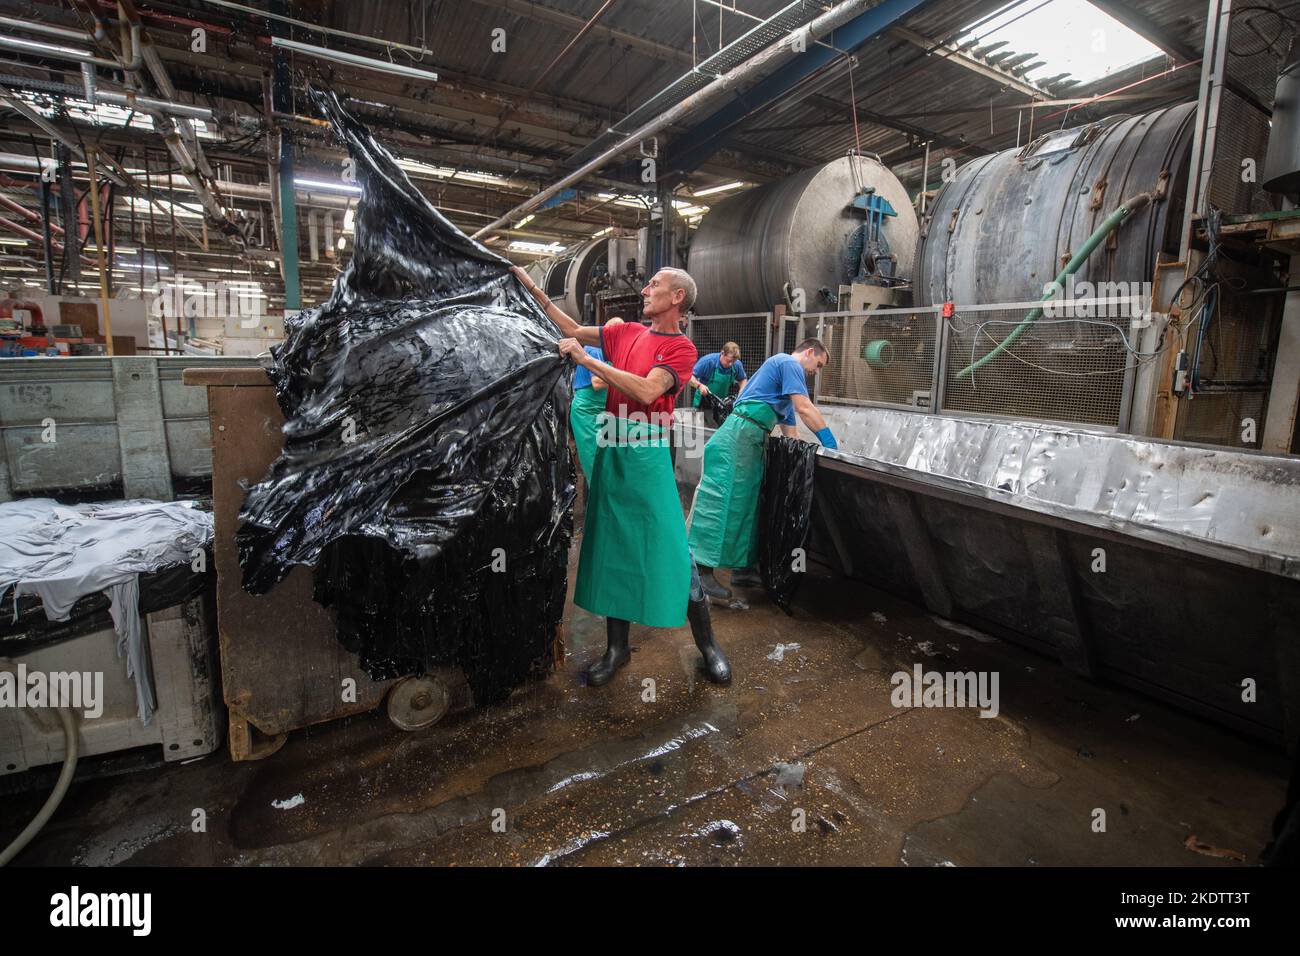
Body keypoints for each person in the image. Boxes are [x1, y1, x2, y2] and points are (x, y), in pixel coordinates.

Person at [512, 264, 731, 686]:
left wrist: (587, 364)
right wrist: (532, 287)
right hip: (614, 448)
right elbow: (574, 328)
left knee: (670, 548)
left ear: (677, 298)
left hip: (648, 454)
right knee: (615, 548)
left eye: (655, 284)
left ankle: (708, 647)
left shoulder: (682, 349)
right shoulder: (626, 332)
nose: (646, 288)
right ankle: (616, 650)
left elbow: (648, 390)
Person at [687, 339, 837, 600]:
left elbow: (791, 433)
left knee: (748, 505)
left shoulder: (784, 393)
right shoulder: (789, 363)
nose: (817, 371)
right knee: (721, 499)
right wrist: (832, 446)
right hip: (738, 436)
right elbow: (805, 408)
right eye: (819, 364)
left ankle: (743, 569)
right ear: (810, 352)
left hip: (752, 440)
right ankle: (699, 570)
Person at [570, 341, 610, 480]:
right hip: (587, 412)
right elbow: (597, 383)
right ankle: (599, 498)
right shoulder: (595, 350)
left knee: (607, 462)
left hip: (605, 411)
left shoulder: (613, 355)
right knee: (594, 462)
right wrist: (630, 375)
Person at [688, 343, 748, 426]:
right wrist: (699, 386)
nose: (731, 364)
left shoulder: (737, 364)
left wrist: (742, 392)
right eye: (729, 361)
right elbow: (690, 377)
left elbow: (743, 379)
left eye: (733, 362)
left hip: (721, 404)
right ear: (722, 353)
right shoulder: (708, 361)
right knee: (702, 431)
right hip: (703, 402)